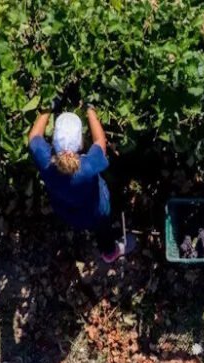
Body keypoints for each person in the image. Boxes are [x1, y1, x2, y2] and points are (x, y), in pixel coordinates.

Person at [27, 84, 135, 263]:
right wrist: (90, 108)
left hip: (68, 212)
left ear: (53, 140)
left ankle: (106, 249)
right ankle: (110, 252)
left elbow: (34, 137)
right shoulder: (87, 166)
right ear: (80, 142)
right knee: (103, 230)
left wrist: (49, 107)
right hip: (98, 211)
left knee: (91, 224)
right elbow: (100, 140)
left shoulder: (46, 161)